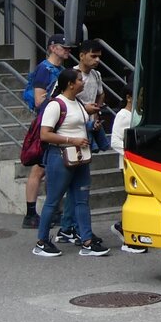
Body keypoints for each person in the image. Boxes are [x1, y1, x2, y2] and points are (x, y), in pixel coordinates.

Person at [32, 68, 109, 257]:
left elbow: (78, 125)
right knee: (53, 200)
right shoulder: (55, 105)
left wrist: (92, 126)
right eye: (80, 80)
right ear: (70, 84)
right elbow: (45, 134)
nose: (83, 82)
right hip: (60, 156)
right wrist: (72, 140)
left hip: (80, 156)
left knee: (82, 199)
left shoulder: (78, 103)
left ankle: (87, 241)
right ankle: (41, 242)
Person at [53, 39, 108, 246]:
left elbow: (100, 94)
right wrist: (87, 111)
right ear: (82, 55)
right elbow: (61, 101)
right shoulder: (70, 76)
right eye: (93, 56)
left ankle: (69, 227)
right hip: (73, 132)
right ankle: (69, 227)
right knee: (74, 183)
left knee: (79, 182)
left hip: (88, 128)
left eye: (99, 56)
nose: (96, 60)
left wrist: (95, 116)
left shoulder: (96, 75)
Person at [22, 33, 71, 228]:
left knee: (48, 169)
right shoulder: (44, 69)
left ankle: (50, 212)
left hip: (55, 122)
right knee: (39, 168)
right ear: (52, 47)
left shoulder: (59, 69)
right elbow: (38, 100)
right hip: (46, 123)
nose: (67, 50)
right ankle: (31, 214)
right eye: (63, 46)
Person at [108, 80, 147, 254]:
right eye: (140, 95)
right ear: (129, 97)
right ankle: (126, 233)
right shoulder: (122, 116)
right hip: (128, 164)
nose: (143, 99)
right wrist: (131, 154)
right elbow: (115, 141)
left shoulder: (141, 114)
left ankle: (128, 229)